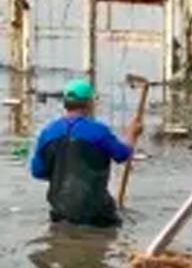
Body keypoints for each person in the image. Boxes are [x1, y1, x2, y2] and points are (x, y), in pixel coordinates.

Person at [29, 79, 142, 228]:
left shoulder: (48, 133)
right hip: (97, 212)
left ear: (65, 103)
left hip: (60, 210)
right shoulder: (98, 132)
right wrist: (131, 135)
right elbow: (122, 155)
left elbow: (37, 172)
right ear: (89, 103)